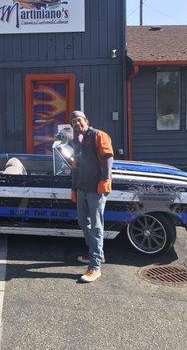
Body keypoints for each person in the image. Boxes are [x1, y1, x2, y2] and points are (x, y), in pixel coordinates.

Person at [70, 110, 114, 283]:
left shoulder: (99, 135)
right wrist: (73, 188)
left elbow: (108, 158)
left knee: (96, 226)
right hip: (82, 188)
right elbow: (75, 166)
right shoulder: (77, 140)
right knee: (82, 221)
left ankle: (95, 267)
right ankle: (96, 253)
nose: (77, 124)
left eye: (79, 121)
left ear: (86, 120)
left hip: (96, 188)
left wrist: (105, 179)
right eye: (74, 123)